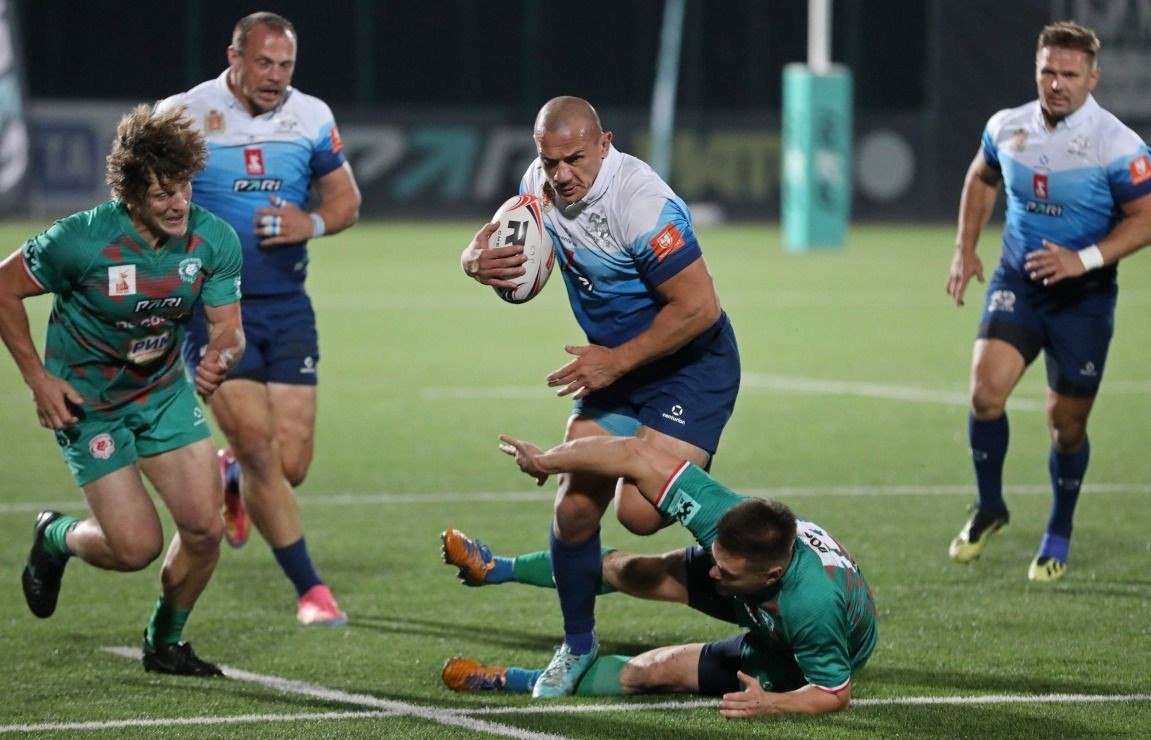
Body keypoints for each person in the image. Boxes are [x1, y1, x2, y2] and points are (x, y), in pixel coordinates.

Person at [459, 96, 740, 697]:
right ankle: (578, 643)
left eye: (575, 159)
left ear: (605, 143)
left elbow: (699, 309)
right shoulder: (539, 184)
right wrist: (472, 260)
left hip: (690, 367)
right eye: (550, 161)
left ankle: (750, 527)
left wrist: (615, 361)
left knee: (639, 516)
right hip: (615, 368)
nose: (561, 175)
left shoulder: (642, 205)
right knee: (574, 509)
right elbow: (496, 237)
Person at [0, 104, 244, 676]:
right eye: (161, 194)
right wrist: (38, 380)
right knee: (135, 548)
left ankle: (164, 642)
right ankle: (56, 536)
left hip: (162, 394)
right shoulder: (80, 240)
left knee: (205, 530)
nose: (178, 204)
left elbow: (229, 329)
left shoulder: (212, 240)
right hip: (88, 406)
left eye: (183, 187)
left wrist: (220, 356)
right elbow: (2, 287)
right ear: (130, 195)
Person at [157, 12, 361, 625]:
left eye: (285, 65)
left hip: (288, 307)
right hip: (213, 311)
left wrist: (310, 222)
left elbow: (346, 200)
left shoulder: (311, 116)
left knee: (289, 465)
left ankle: (231, 476)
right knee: (256, 446)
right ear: (235, 58)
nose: (275, 77)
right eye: (264, 63)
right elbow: (145, 200)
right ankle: (311, 590)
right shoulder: (184, 114)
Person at [439, 433, 876, 717]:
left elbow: (833, 692)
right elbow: (633, 454)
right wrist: (546, 460)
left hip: (787, 645)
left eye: (723, 570)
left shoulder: (812, 608)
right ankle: (495, 569)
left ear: (771, 575)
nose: (711, 573)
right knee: (630, 569)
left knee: (653, 671)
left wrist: (772, 704)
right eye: (714, 558)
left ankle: (510, 679)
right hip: (759, 589)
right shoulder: (724, 518)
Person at [945, 21, 1151, 582]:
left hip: (1083, 299)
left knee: (1066, 427)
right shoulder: (1007, 126)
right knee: (985, 395)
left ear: (1092, 78)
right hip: (1019, 281)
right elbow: (981, 177)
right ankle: (991, 507)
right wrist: (965, 249)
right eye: (1048, 72)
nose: (1057, 84)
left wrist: (1083, 259)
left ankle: (1059, 528)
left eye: (1070, 74)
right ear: (1036, 71)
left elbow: (1145, 216)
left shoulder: (1117, 145)